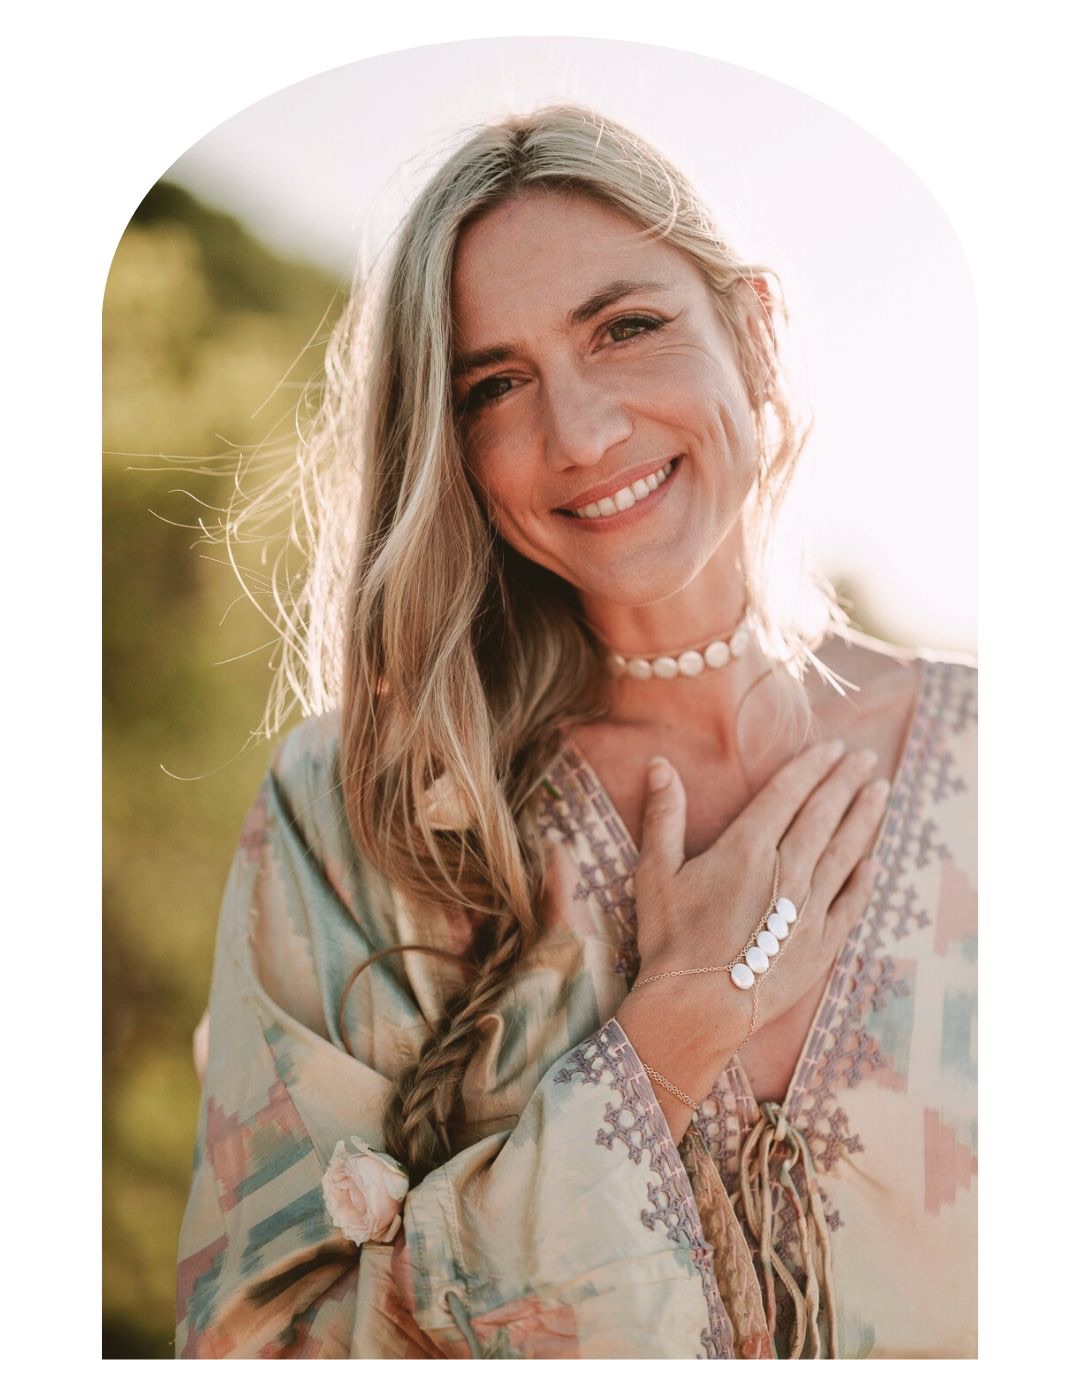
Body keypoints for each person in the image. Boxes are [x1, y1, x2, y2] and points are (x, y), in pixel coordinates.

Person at [174, 105, 976, 1360]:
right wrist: (665, 1043)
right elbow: (263, 1347)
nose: (583, 433)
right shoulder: (357, 811)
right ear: (452, 444)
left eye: (627, 326)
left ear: (755, 328)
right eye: (496, 385)